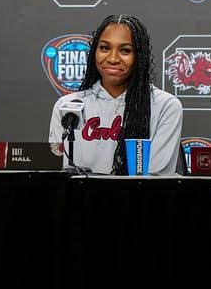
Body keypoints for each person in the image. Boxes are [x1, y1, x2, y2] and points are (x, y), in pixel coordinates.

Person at [49, 14, 183, 175]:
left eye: (125, 50)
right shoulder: (68, 106)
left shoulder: (165, 106)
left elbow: (156, 177)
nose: (113, 59)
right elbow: (60, 172)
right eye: (104, 48)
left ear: (139, 57)